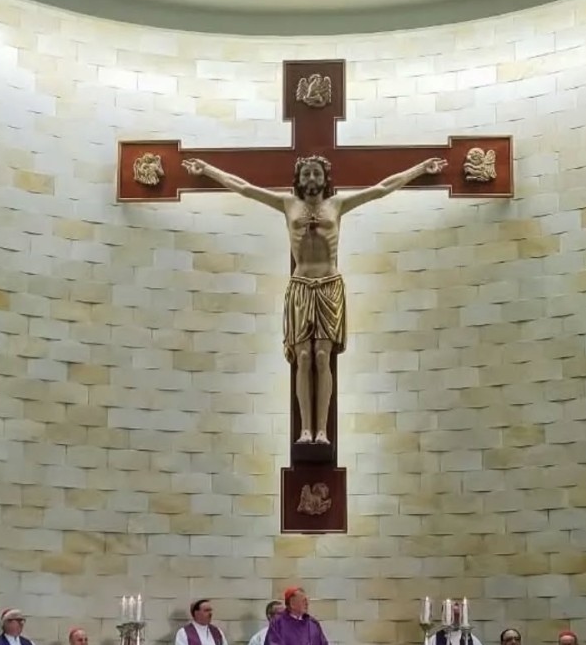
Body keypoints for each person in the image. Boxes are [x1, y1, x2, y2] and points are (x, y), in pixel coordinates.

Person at [182, 153, 446, 444]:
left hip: (329, 286)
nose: (311, 179)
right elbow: (244, 188)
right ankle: (305, 428)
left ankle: (321, 430)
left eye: (316, 174)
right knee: (303, 357)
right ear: (298, 178)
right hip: (301, 286)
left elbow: (382, 188)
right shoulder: (287, 204)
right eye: (306, 173)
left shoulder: (337, 204)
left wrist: (421, 168)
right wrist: (206, 169)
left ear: (325, 178)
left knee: (323, 356)